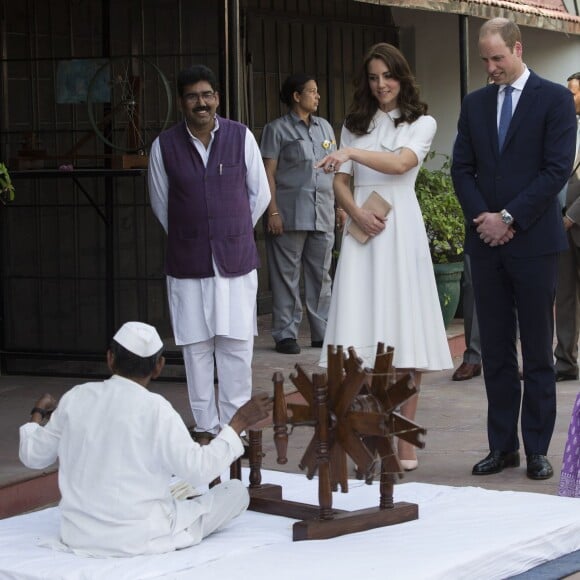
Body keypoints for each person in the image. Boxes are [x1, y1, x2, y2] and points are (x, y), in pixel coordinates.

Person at [19, 321, 273, 557]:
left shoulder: (77, 397)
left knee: (176, 490)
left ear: (110, 359)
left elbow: (33, 455)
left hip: (78, 535)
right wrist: (238, 421)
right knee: (236, 492)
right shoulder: (156, 409)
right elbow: (199, 470)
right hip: (142, 537)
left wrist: (37, 414)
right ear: (159, 366)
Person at [317, 43, 453, 471]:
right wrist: (354, 210)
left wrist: (352, 153)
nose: (381, 85)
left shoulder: (422, 121)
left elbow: (400, 164)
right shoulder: (354, 123)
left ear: (402, 76)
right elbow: (340, 181)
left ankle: (403, 440)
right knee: (361, 337)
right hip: (363, 233)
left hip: (401, 229)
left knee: (406, 336)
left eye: (388, 76)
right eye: (373, 78)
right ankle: (369, 434)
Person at [451, 18, 576, 480]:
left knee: (539, 351)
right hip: (486, 245)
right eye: (484, 59)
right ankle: (501, 447)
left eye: (497, 58)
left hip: (535, 244)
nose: (490, 67)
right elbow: (462, 169)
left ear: (517, 48)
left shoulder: (556, 100)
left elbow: (556, 170)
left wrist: (508, 218)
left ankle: (538, 448)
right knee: (497, 351)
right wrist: (484, 218)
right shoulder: (475, 104)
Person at [148, 65, 270, 443]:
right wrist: (196, 235)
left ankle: (237, 431)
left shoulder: (240, 137)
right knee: (196, 348)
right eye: (191, 96)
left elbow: (260, 195)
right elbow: (161, 203)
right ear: (181, 102)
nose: (200, 103)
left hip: (234, 262)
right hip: (188, 265)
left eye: (206, 95)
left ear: (216, 98)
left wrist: (227, 232)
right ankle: (205, 427)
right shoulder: (164, 146)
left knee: (235, 347)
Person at [260, 73, 336, 355]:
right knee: (286, 277)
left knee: (321, 276)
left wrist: (339, 206)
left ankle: (321, 332)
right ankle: (285, 333)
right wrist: (273, 211)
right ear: (296, 96)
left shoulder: (325, 128)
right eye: (312, 92)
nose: (317, 97)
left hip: (323, 212)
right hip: (289, 215)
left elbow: (335, 170)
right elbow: (267, 172)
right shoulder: (276, 129)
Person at [554, 72, 580, 382]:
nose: (568, 97)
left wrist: (572, 215)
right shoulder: (561, 127)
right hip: (559, 226)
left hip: (572, 220)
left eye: (573, 93)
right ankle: (564, 362)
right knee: (565, 297)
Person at [452, 254, 483, 381]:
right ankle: (473, 357)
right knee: (473, 285)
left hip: (518, 236)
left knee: (515, 286)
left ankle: (510, 359)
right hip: (478, 236)